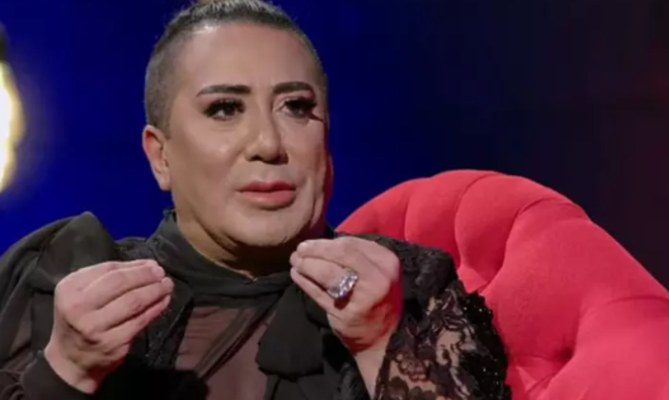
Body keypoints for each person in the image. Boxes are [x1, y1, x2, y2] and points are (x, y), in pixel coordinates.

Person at [0, 1, 510, 399]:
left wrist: (380, 342)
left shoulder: (412, 292)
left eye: (296, 107)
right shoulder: (61, 278)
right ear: (160, 156)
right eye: (225, 109)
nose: (268, 143)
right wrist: (66, 371)